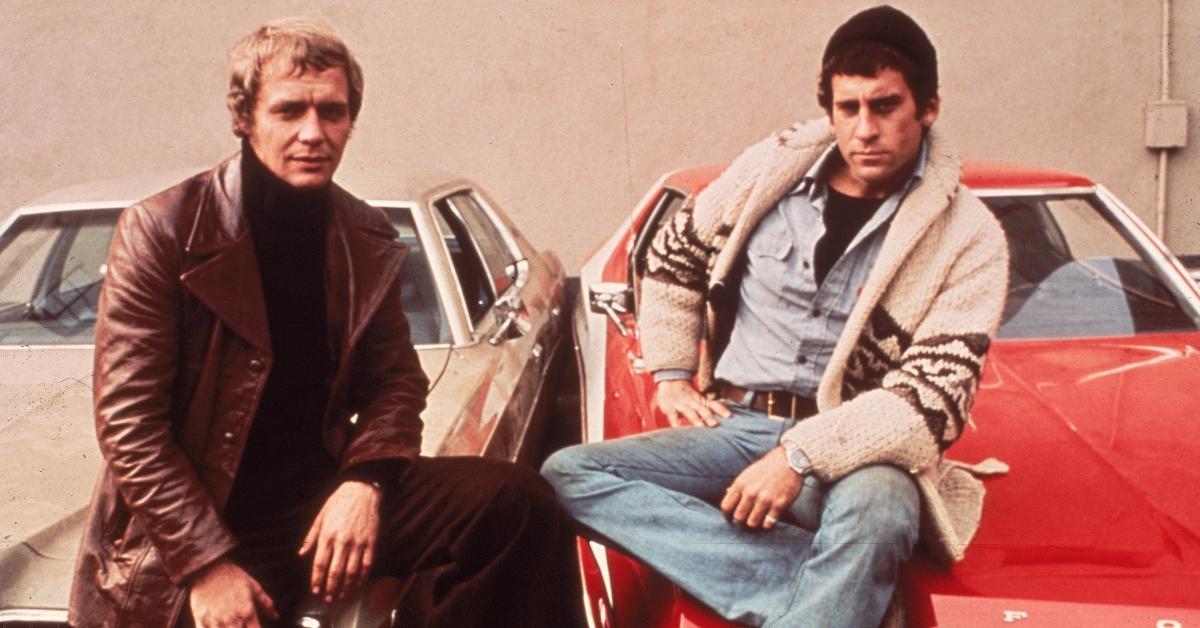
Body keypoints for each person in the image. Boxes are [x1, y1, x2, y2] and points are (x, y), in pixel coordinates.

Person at [70, 17, 574, 628]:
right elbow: (130, 425)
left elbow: (395, 384)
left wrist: (364, 482)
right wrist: (205, 564)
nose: (314, 133)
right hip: (201, 528)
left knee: (517, 503)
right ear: (244, 117)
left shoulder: (363, 233)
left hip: (320, 505)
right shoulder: (164, 229)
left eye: (332, 113)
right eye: (289, 111)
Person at [542, 5, 1009, 627]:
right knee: (566, 475)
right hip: (735, 426)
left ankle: (830, 589)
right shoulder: (769, 175)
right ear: (830, 111)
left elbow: (930, 404)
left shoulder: (969, 236)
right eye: (849, 109)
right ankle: (831, 587)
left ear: (928, 108)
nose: (865, 129)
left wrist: (798, 458)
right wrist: (673, 374)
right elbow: (674, 259)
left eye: (886, 106)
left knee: (881, 510)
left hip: (858, 450)